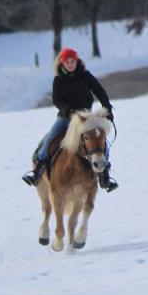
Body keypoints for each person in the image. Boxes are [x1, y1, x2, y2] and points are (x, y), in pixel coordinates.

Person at [22, 47, 118, 192]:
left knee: (101, 141)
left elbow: (99, 91)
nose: (71, 64)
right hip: (65, 118)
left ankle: (104, 176)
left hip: (86, 118)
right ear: (62, 63)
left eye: (73, 61)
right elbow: (56, 99)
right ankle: (38, 171)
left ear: (77, 61)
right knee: (49, 140)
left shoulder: (85, 75)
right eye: (68, 62)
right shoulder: (59, 80)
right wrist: (67, 110)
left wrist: (108, 108)